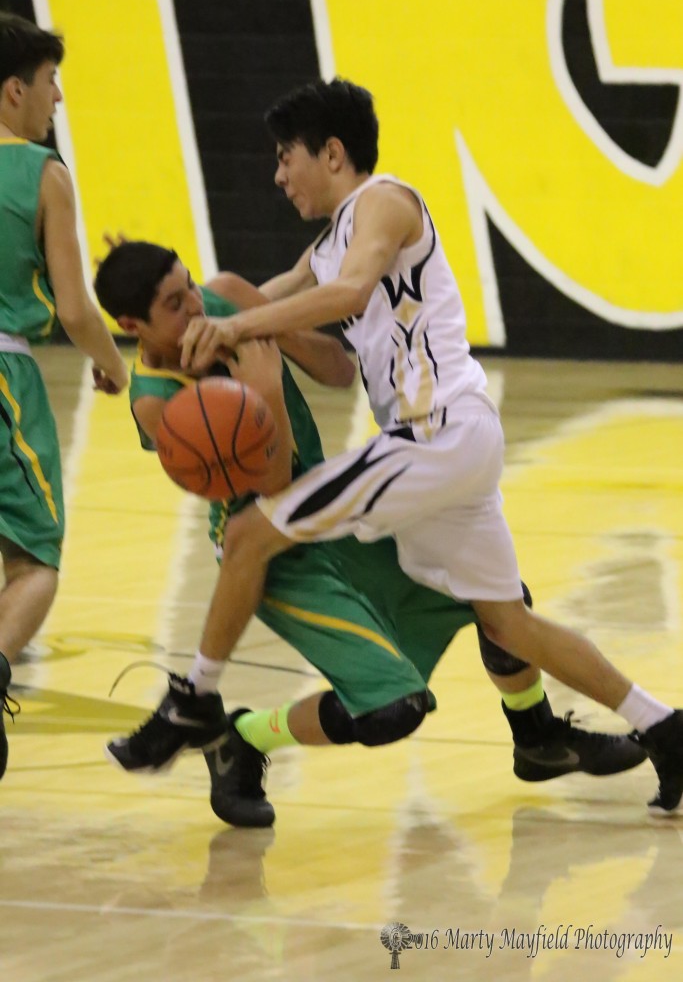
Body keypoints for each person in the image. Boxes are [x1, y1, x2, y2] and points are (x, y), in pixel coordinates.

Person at [167, 77, 682, 816]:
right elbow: (259, 297)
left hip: (436, 436)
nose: (278, 176)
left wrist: (241, 330)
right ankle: (660, 727)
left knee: (254, 530)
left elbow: (345, 296)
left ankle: (195, 700)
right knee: (508, 623)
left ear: (333, 153)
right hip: (447, 450)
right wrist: (173, 327)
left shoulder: (384, 202)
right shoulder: (330, 240)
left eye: (287, 157)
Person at [94, 241, 644, 827]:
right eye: (176, 305)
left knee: (500, 605)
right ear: (133, 325)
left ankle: (537, 737)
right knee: (391, 712)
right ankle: (244, 737)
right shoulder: (157, 402)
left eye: (190, 286)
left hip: (333, 502)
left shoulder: (226, 297)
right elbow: (274, 486)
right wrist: (268, 388)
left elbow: (337, 369)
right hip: (268, 546)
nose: (196, 308)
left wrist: (269, 329)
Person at [0, 14, 128, 780]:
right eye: (51, 83)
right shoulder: (42, 174)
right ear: (14, 92)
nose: (59, 99)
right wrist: (115, 366)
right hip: (5, 377)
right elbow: (76, 309)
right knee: (35, 558)